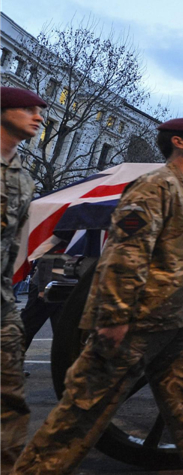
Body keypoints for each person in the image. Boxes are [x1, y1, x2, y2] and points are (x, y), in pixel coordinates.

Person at [14, 118, 183, 475]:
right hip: (138, 324)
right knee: (78, 417)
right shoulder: (154, 187)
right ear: (179, 142)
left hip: (178, 326)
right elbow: (126, 253)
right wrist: (115, 316)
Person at [1, 87, 46, 470]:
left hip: (2, 307)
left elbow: (14, 245)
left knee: (10, 402)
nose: (39, 117)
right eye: (28, 109)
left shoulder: (24, 180)